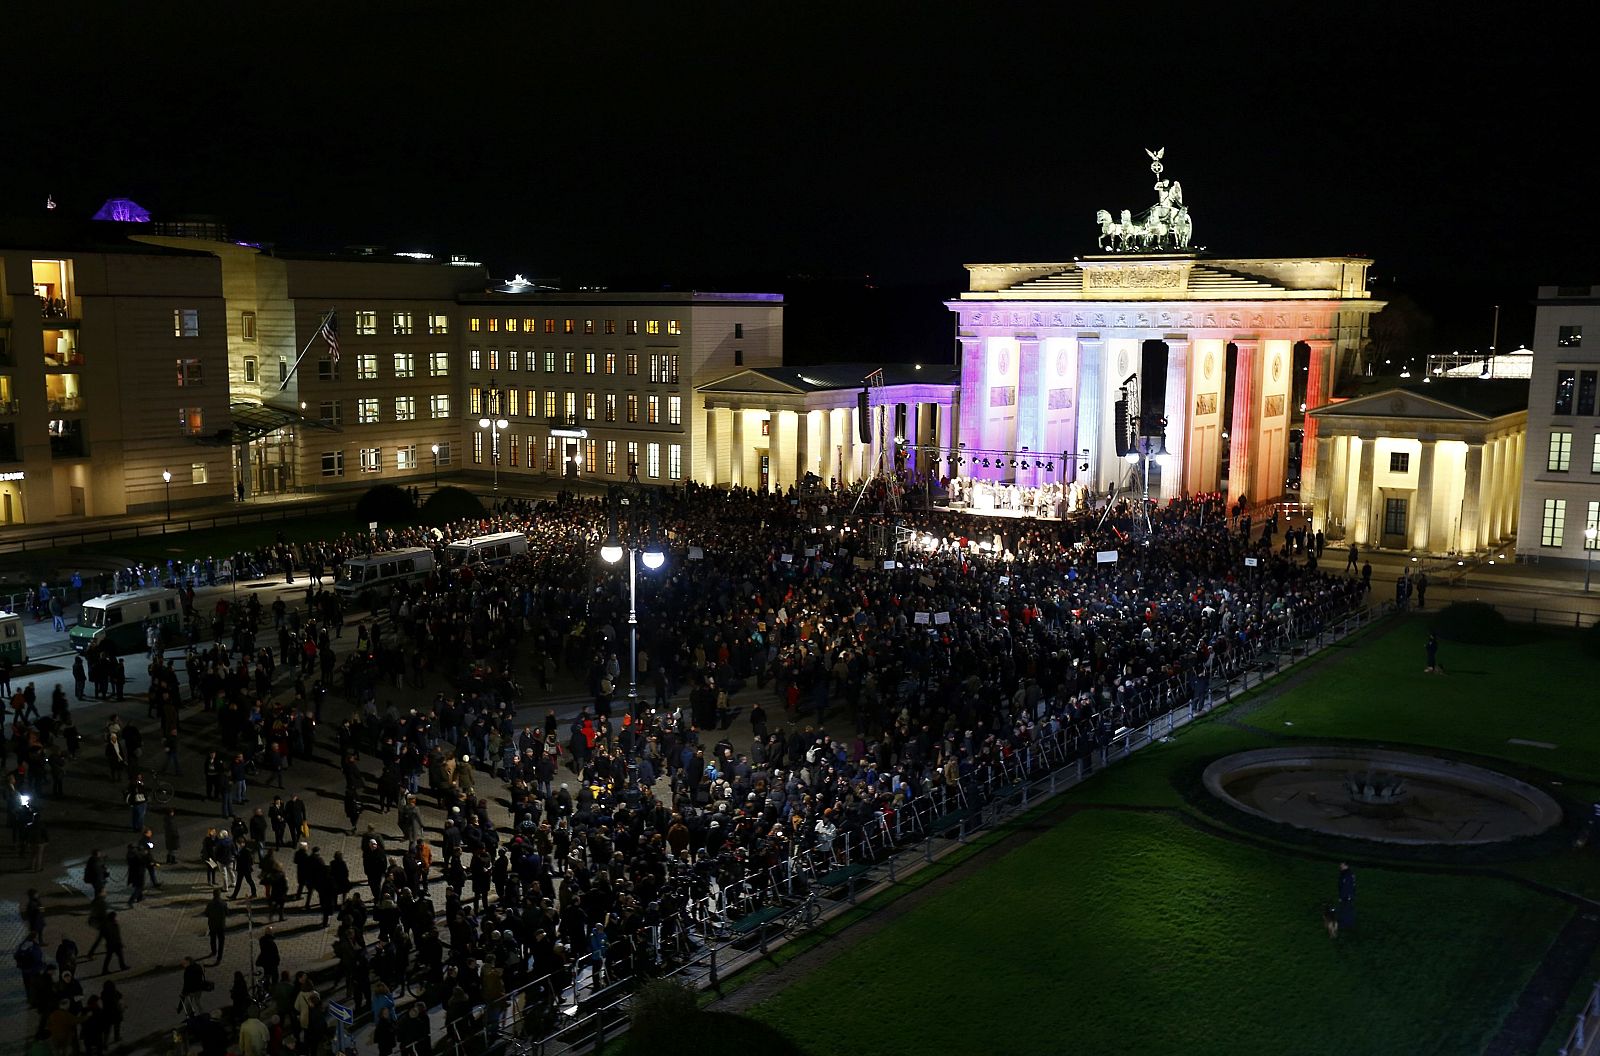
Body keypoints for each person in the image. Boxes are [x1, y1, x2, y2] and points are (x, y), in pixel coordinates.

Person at [205, 889, 228, 963]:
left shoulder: (210, 904)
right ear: (219, 895)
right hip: (221, 925)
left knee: (213, 939)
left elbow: (206, 914)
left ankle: (214, 951)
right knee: (221, 942)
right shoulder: (223, 903)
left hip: (212, 925)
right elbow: (227, 913)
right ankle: (219, 957)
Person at [1337, 861, 1357, 935]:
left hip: (1347, 896)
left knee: (1345, 910)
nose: (1340, 866)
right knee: (1347, 909)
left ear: (1346, 866)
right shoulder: (1347, 873)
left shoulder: (1347, 875)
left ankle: (1345, 925)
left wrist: (1343, 896)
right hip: (1348, 896)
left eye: (1342, 865)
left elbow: (1347, 887)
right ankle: (1347, 924)